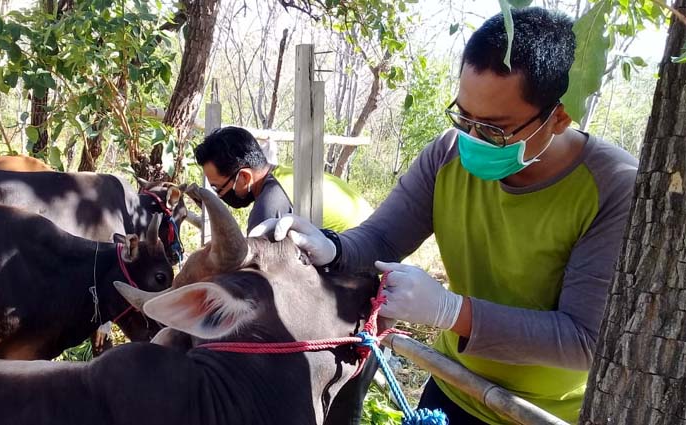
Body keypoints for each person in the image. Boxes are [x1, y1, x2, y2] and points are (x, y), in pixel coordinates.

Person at [251, 7, 638, 424]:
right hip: (455, 382)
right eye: (464, 116)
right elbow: (382, 238)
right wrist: (333, 247)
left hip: (541, 412)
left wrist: (453, 313)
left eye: (494, 129)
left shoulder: (613, 187)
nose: (471, 138)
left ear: (558, 117)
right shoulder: (446, 155)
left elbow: (583, 339)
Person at [194, 126, 373, 233]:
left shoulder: (270, 205)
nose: (219, 195)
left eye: (218, 189)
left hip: (379, 282)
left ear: (244, 177)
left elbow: (251, 277)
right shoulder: (286, 177)